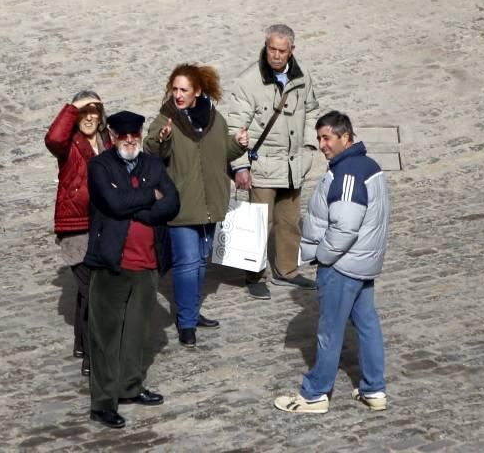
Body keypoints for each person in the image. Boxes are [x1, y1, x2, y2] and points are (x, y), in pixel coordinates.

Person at [274, 111, 389, 414]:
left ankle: (315, 394)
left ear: (346, 137)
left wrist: (323, 257)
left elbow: (345, 227)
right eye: (319, 138)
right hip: (361, 264)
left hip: (343, 266)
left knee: (330, 330)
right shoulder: (368, 166)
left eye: (327, 138)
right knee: (367, 325)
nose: (322, 144)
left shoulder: (348, 174)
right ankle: (374, 389)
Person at [83, 110, 180, 429]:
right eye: (122, 135)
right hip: (112, 262)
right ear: (111, 136)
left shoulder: (152, 164)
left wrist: (140, 211)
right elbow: (111, 202)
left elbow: (172, 202)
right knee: (106, 336)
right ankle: (103, 402)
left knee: (137, 332)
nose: (129, 140)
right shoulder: (100, 166)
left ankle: (130, 386)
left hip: (147, 263)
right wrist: (148, 197)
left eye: (134, 135)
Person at [144, 64, 248, 348]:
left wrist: (237, 145)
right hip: (180, 204)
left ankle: (191, 310)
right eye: (174, 89)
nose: (177, 95)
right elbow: (151, 148)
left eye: (183, 90)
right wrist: (161, 138)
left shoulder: (215, 118)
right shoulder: (166, 118)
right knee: (187, 263)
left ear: (197, 92)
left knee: (201, 261)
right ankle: (186, 323)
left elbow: (221, 151)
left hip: (211, 202)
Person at [223, 24, 320, 300]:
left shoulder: (303, 78)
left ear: (292, 51)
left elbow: (312, 110)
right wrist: (241, 166)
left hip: (293, 165)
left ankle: (287, 269)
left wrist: (310, 145)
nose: (276, 55)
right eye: (271, 49)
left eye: (281, 50)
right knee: (257, 222)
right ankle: (253, 274)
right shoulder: (249, 81)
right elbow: (235, 129)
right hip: (263, 165)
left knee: (289, 221)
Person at [44, 91, 112, 377]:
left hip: (103, 226)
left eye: (93, 111)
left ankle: (82, 343)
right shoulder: (69, 145)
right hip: (76, 229)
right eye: (83, 112)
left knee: (91, 291)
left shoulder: (106, 141)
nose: (88, 117)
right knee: (96, 293)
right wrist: (73, 107)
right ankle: (94, 359)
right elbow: (53, 138)